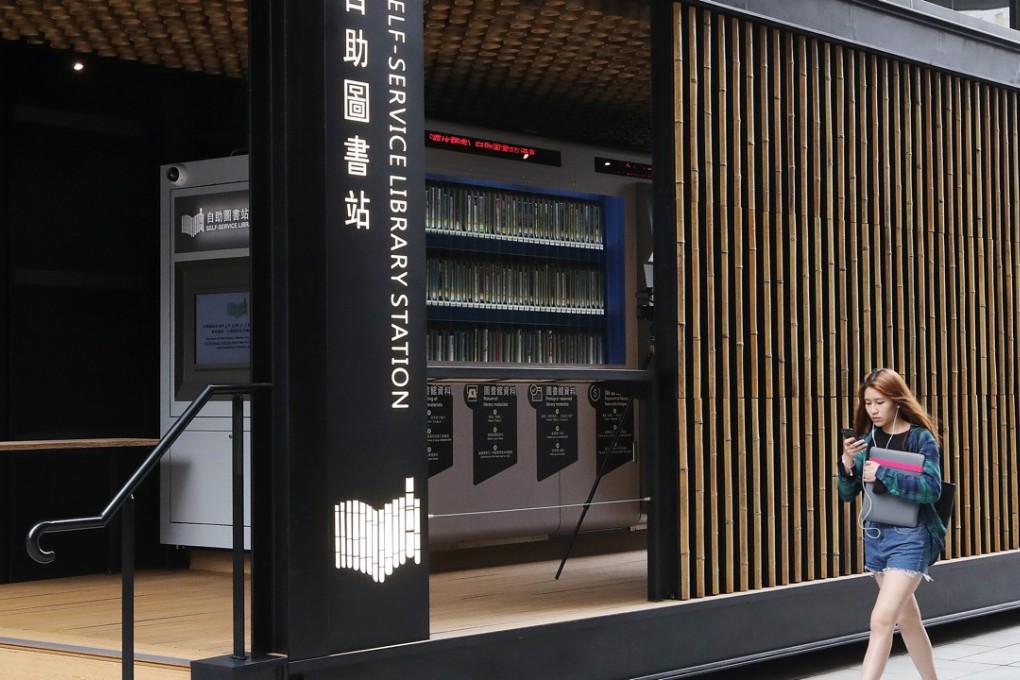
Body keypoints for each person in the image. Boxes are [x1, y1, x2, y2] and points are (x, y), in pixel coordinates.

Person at [837, 368, 947, 680]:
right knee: (907, 620)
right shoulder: (867, 440)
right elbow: (847, 494)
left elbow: (932, 488)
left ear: (896, 400)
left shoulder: (919, 438)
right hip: (876, 537)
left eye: (880, 402)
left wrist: (883, 473)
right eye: (868, 403)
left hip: (911, 537)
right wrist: (847, 463)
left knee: (881, 620)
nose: (873, 410)